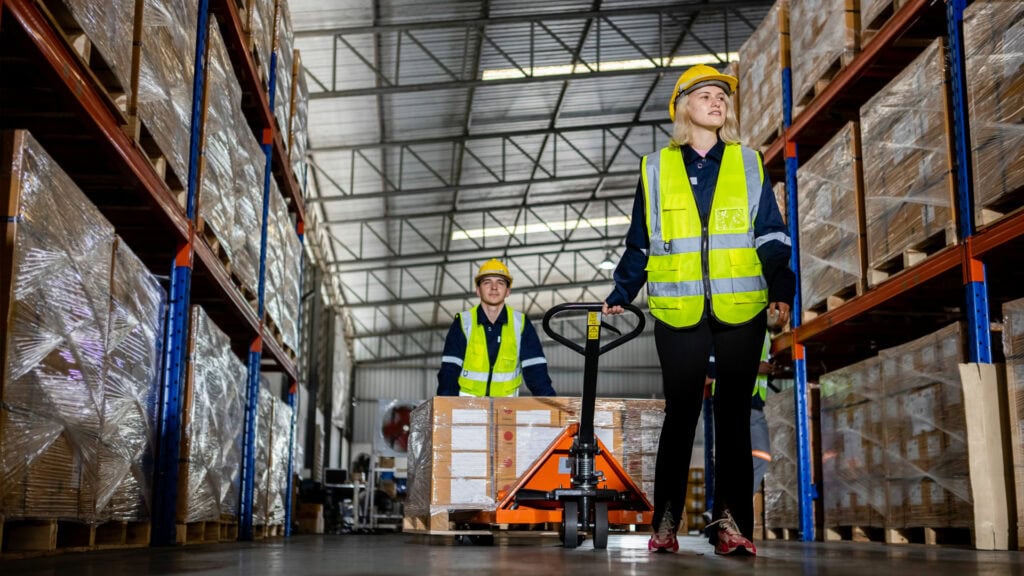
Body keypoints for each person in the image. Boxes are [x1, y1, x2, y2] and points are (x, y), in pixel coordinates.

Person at [601, 63, 795, 556]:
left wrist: (782, 287)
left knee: (732, 416)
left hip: (741, 307)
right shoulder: (655, 168)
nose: (717, 102)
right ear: (682, 107)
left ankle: (733, 526)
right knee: (681, 414)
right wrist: (623, 291)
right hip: (679, 311)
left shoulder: (750, 162)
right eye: (705, 95)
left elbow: (770, 235)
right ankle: (665, 522)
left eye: (722, 96)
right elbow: (641, 243)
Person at [437, 258, 556, 397]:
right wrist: (445, 409)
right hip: (467, 410)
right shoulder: (463, 323)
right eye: (487, 282)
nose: (494, 287)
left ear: (507, 291)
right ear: (478, 290)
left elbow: (536, 371)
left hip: (506, 411)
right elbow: (449, 371)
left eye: (500, 282)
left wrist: (553, 406)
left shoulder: (521, 324)